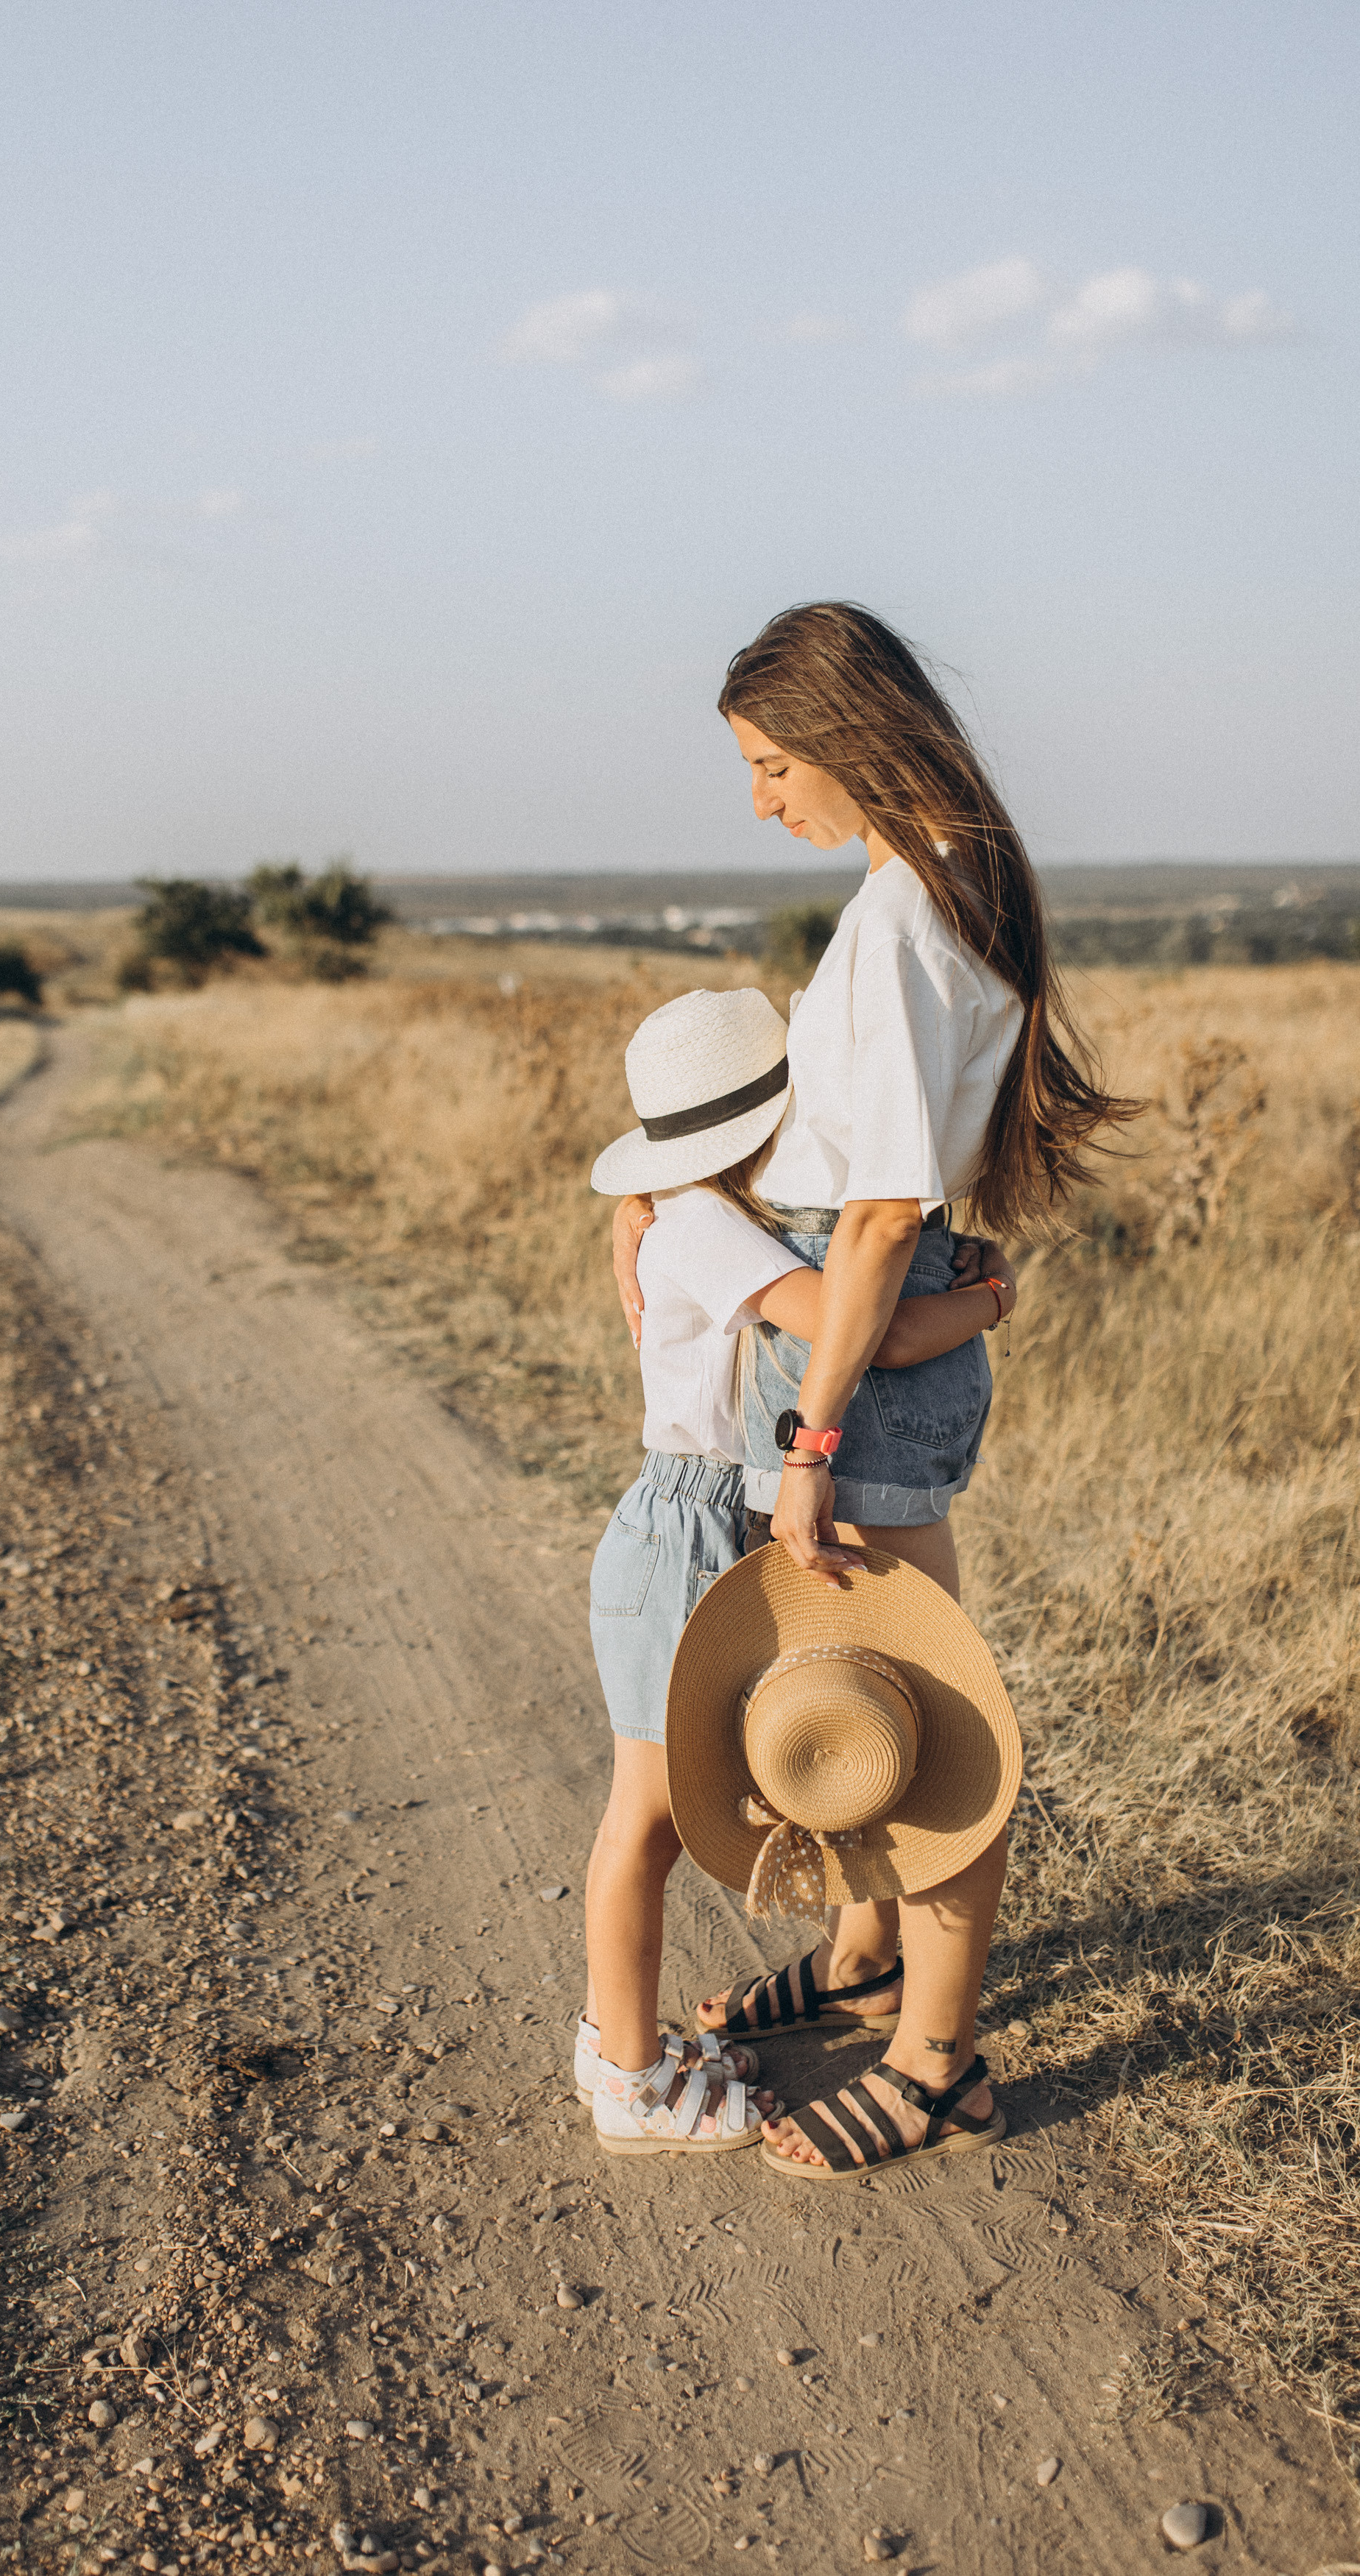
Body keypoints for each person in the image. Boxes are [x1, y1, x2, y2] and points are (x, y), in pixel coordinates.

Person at [612, 601, 1134, 2176]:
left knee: (931, 1719)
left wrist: (810, 1436)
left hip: (862, 1335)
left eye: (774, 763)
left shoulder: (906, 923)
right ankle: (865, 1958)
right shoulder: (934, 893)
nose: (763, 797)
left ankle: (935, 2065)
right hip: (862, 1303)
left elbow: (887, 1212)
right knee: (861, 1677)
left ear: (847, 738)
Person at [581, 983, 1016, 2156]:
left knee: (692, 1804)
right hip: (684, 1532)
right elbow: (859, 1327)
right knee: (649, 1824)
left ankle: (791, 1994)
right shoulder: (703, 1225)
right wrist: (984, 1294)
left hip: (706, 1518)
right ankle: (622, 2069)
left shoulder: (683, 1212)